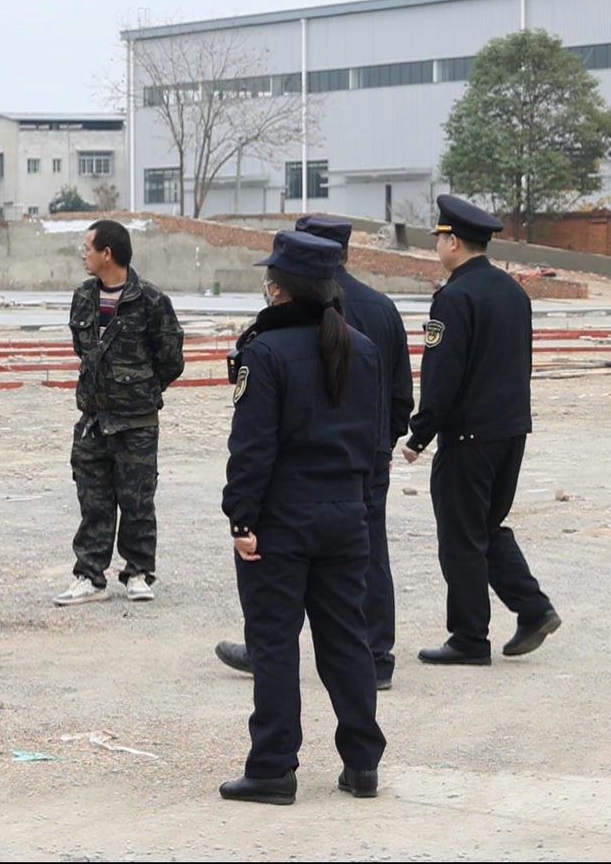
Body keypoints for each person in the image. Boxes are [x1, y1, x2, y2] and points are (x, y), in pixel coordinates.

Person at [219, 230, 386, 805]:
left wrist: (241, 519)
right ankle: (362, 764)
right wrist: (361, 505)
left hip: (282, 519)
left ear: (279, 289)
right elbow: (375, 441)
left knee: (274, 643)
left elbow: (252, 447)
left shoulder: (264, 352)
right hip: (346, 513)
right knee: (346, 641)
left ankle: (273, 767)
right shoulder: (362, 348)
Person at [217, 215, 413, 690]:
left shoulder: (273, 339)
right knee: (366, 562)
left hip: (295, 484)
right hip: (362, 464)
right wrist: (383, 447)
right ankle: (376, 655)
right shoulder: (382, 308)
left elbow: (255, 440)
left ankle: (266, 658)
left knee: (278, 609)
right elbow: (400, 396)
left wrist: (241, 516)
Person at [403, 195, 561, 667]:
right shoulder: (513, 291)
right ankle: (533, 609)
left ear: (453, 242)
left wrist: (420, 434)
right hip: (511, 430)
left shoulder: (454, 298)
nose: (438, 247)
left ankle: (469, 638)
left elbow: (442, 374)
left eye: (439, 239)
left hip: (469, 437)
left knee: (461, 536)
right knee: (486, 527)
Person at [55, 219, 184, 606]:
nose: (84, 254)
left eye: (88, 248)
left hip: (136, 423)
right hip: (94, 420)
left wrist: (140, 391)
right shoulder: (83, 297)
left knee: (137, 501)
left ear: (107, 253)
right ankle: (89, 576)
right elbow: (84, 352)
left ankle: (138, 572)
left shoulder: (151, 300)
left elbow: (171, 359)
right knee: (92, 501)